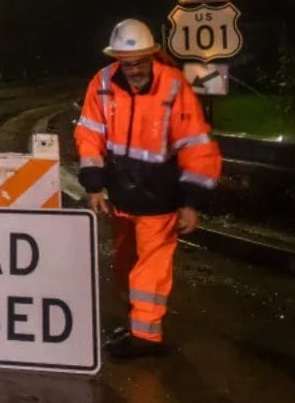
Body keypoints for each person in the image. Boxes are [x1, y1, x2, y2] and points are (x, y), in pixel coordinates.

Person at [74, 19, 222, 358]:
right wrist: (94, 186)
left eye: (140, 62)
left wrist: (191, 201)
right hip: (122, 195)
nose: (134, 70)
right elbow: (89, 135)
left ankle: (145, 334)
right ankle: (135, 321)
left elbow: (196, 146)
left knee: (150, 267)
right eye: (127, 64)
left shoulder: (172, 86)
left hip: (160, 197)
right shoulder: (103, 83)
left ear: (152, 56)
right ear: (117, 61)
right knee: (125, 263)